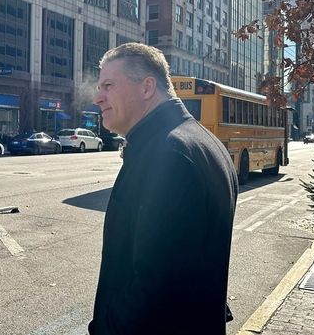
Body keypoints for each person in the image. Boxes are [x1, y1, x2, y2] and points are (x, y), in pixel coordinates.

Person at [88, 43, 238, 335]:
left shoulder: (169, 153)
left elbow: (156, 285)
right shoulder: (201, 141)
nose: (97, 97)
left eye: (108, 85)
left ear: (146, 87)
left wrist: (104, 330)